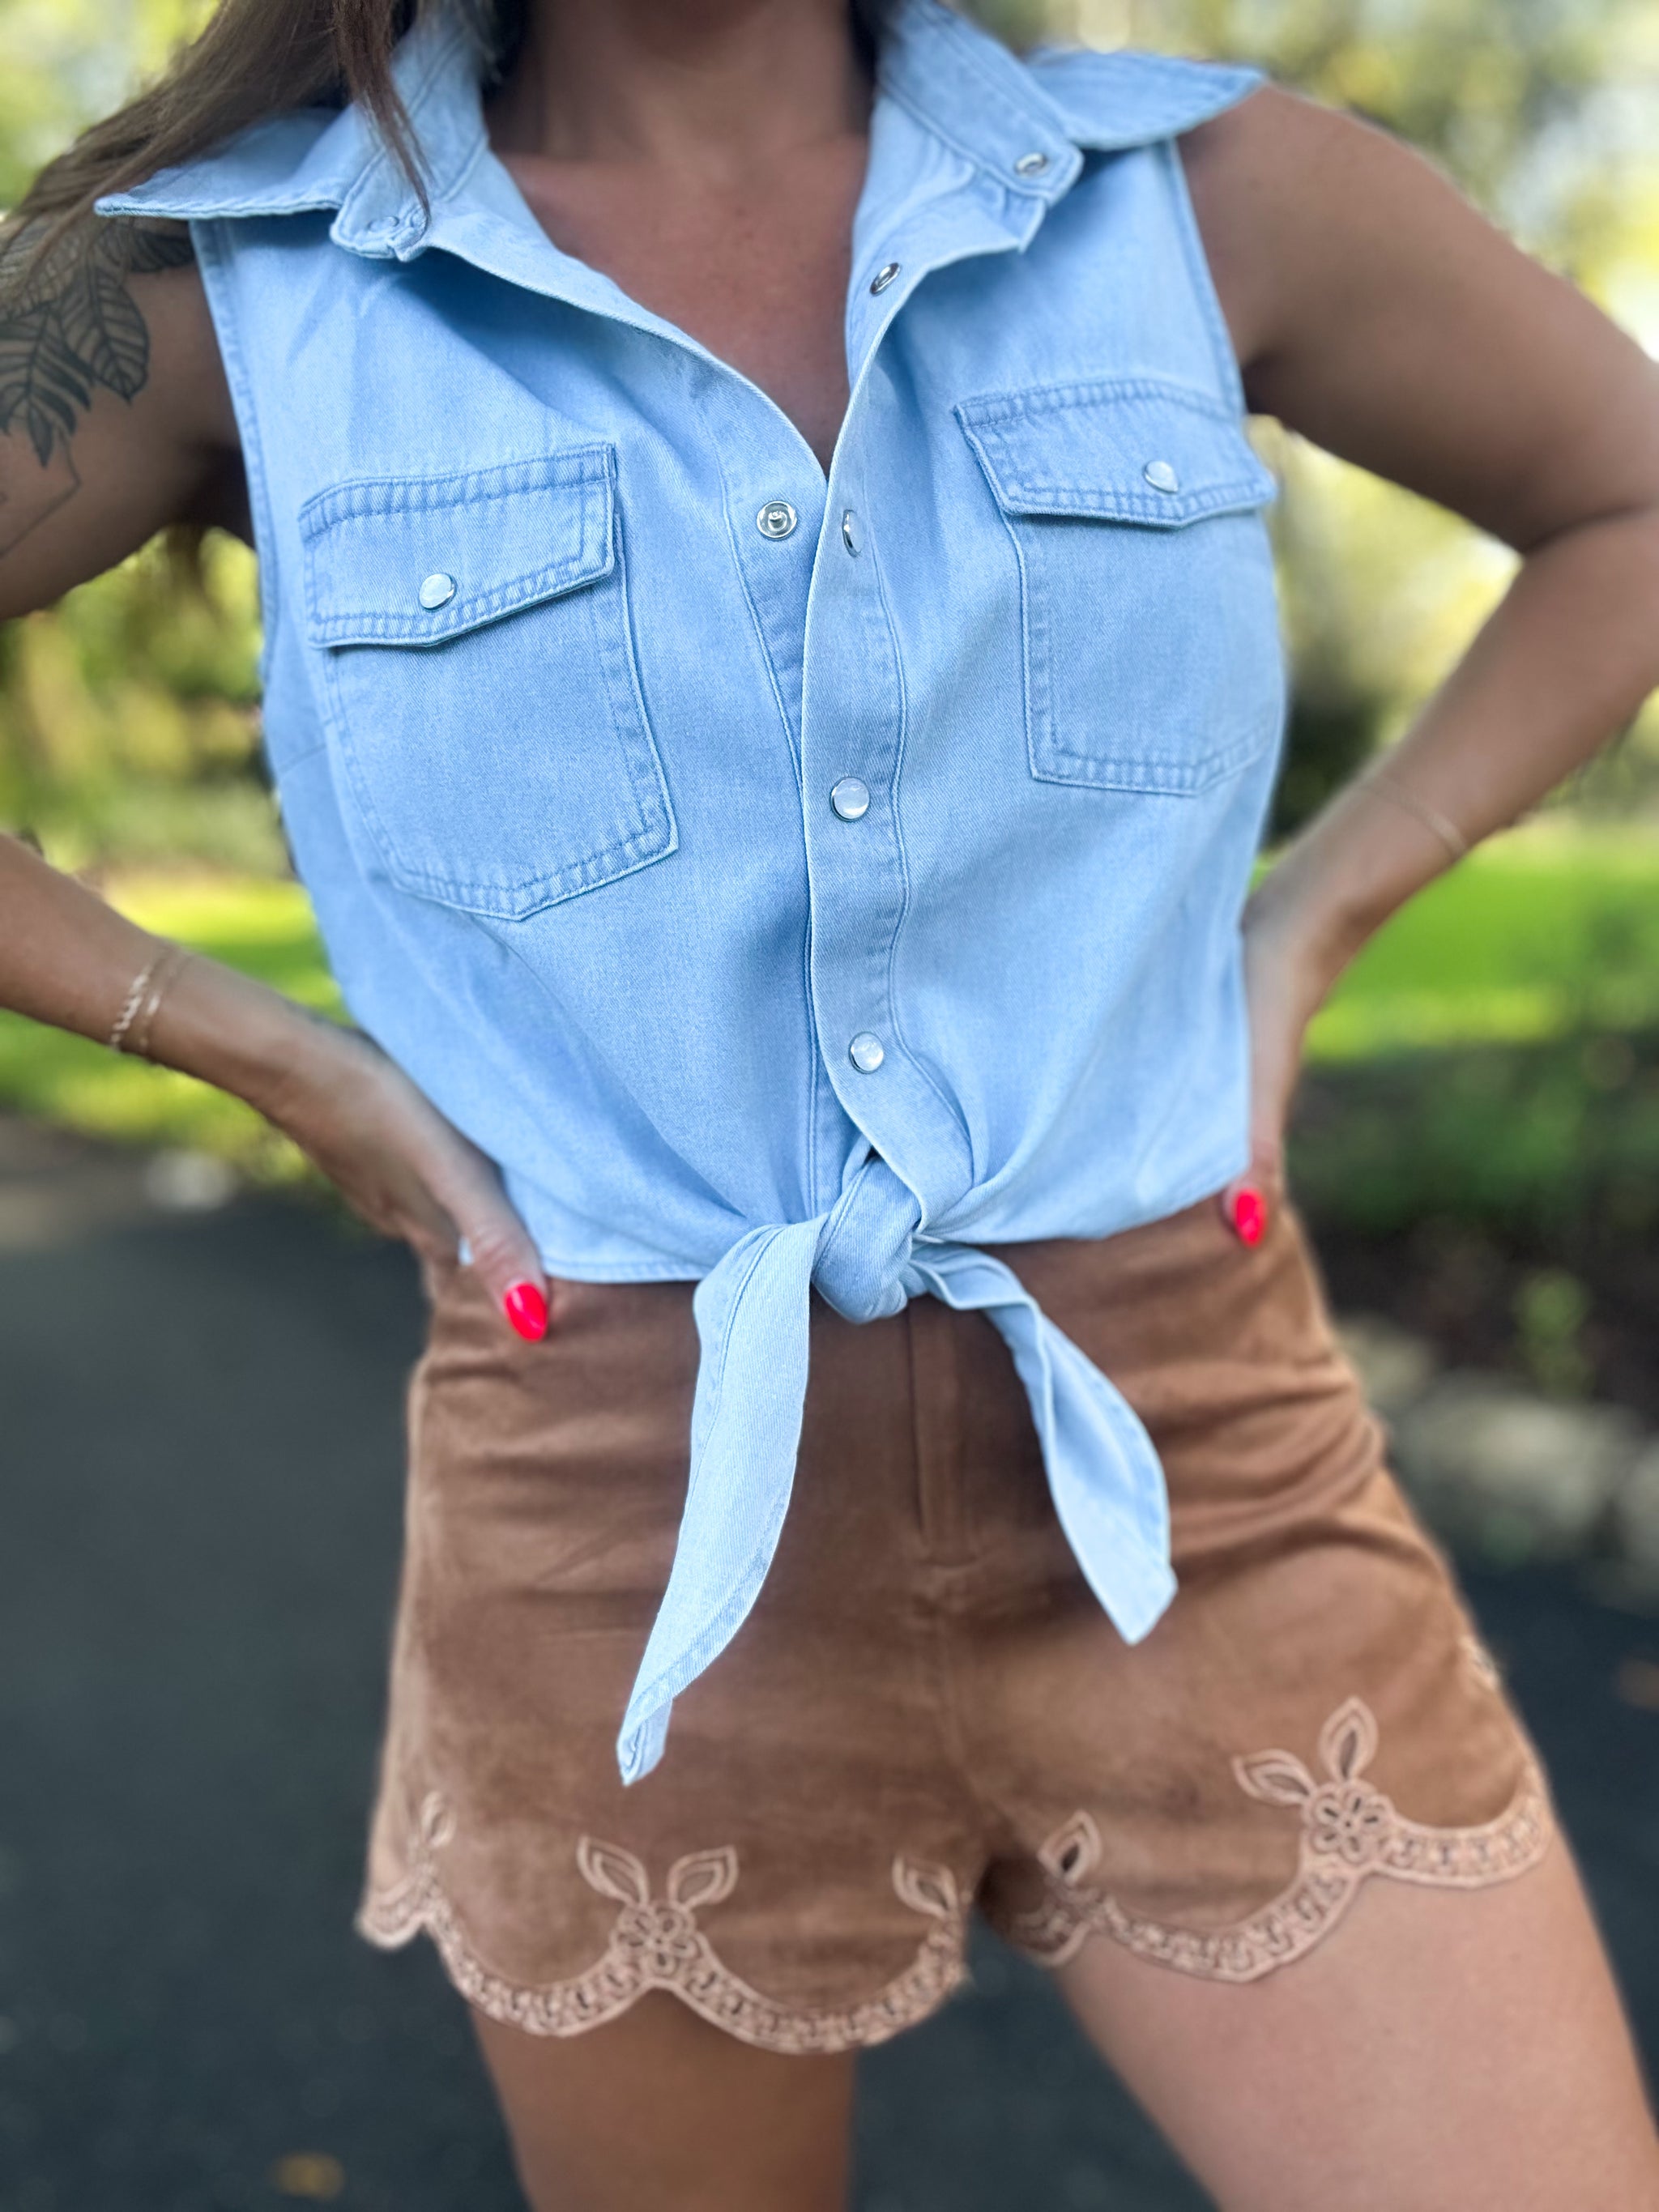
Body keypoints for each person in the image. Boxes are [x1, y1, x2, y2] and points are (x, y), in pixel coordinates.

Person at [2, 0, 1658, 2205]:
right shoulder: (221, 286)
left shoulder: (1203, 196)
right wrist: (267, 1056)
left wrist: (1314, 925)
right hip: (620, 1539)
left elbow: (1627, 496)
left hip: (1204, 1476)